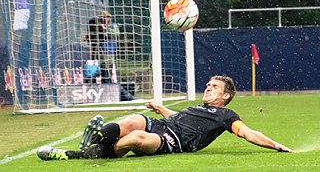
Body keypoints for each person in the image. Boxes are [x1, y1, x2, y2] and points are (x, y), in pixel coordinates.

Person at [37, 75, 294, 160]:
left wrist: (274, 144)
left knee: (136, 137)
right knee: (134, 120)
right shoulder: (198, 108)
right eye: (208, 85)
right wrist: (161, 109)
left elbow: (247, 132)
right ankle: (97, 138)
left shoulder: (225, 115)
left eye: (214, 87)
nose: (207, 88)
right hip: (164, 124)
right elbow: (181, 118)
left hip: (172, 140)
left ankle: (77, 152)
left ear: (225, 97)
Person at [84, 10, 120, 83]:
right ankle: (92, 83)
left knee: (107, 69)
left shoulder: (113, 26)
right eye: (103, 17)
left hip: (108, 52)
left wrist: (105, 29)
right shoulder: (98, 26)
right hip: (98, 51)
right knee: (95, 68)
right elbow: (95, 36)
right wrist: (87, 37)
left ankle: (107, 83)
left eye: (107, 17)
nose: (105, 19)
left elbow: (116, 35)